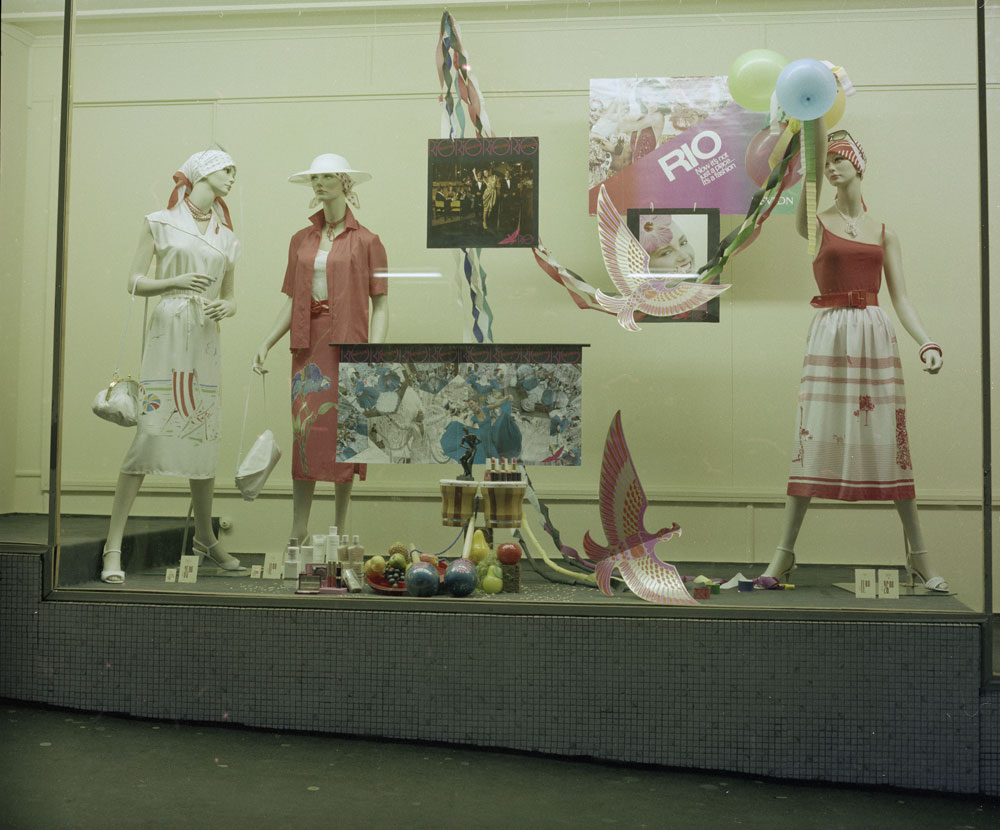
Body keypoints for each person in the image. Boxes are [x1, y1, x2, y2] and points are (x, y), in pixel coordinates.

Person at [760, 122, 947, 592]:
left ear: (858, 163)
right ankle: (783, 556)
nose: (832, 167)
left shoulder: (884, 232)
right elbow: (810, 189)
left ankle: (920, 558)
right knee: (814, 435)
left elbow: (901, 298)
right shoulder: (814, 224)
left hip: (875, 336)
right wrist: (813, 119)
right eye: (827, 160)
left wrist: (926, 340)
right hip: (830, 336)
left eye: (840, 158)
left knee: (890, 440)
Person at [101, 149, 242, 583]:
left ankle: (204, 536)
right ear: (202, 172)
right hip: (169, 330)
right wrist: (175, 281)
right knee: (151, 433)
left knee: (204, 434)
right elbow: (134, 281)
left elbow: (232, 296)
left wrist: (225, 308)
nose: (233, 177)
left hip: (205, 338)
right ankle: (112, 546)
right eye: (226, 169)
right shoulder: (160, 222)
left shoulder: (227, 236)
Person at [253, 154, 388, 545]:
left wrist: (374, 355)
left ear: (345, 182)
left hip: (348, 343)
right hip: (307, 344)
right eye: (315, 176)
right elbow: (292, 297)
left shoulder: (367, 241)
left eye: (328, 175)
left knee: (346, 433)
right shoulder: (301, 240)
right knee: (306, 432)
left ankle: (340, 528)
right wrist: (266, 341)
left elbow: (380, 302)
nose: (320, 182)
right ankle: (298, 531)